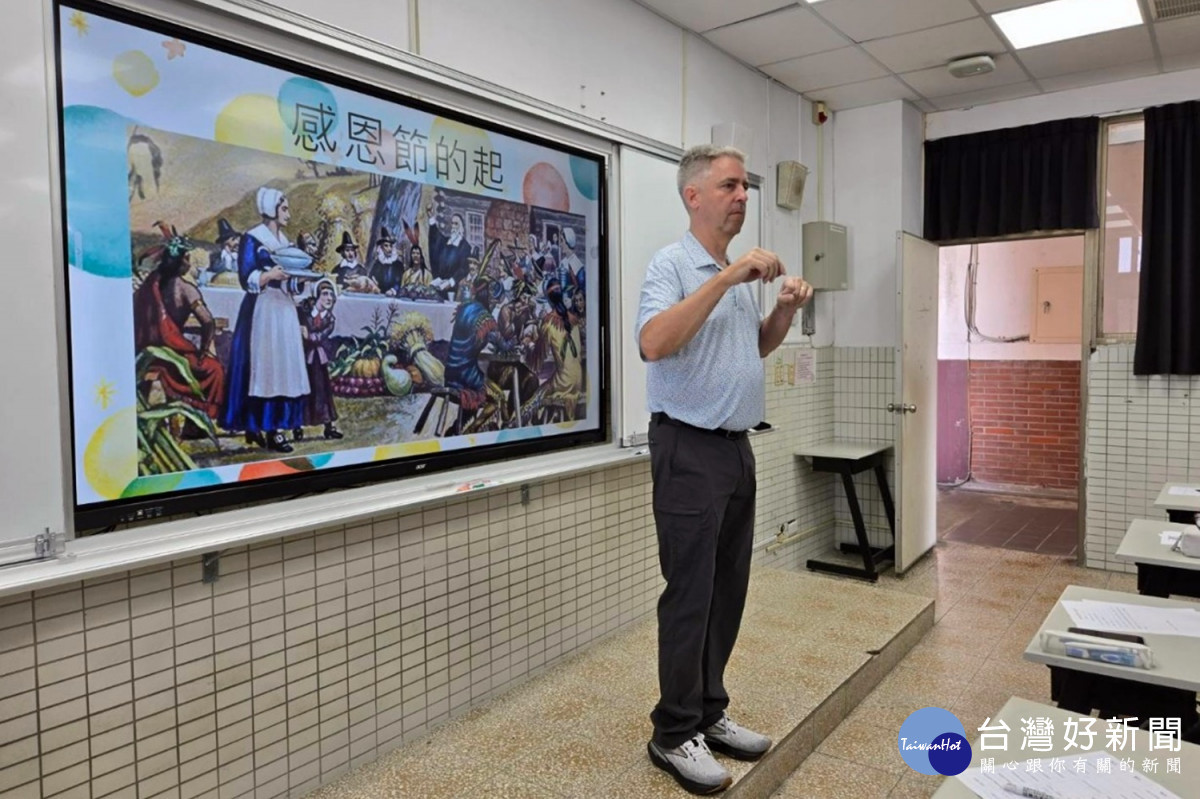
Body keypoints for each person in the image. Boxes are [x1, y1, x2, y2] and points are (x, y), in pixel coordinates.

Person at [635, 144, 813, 795]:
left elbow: (753, 348)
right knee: (689, 593)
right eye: (730, 185)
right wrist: (726, 277)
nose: (742, 196)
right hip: (687, 447)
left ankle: (708, 711)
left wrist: (786, 308)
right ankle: (672, 729)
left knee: (727, 589)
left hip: (736, 447)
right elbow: (654, 342)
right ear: (695, 196)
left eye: (745, 187)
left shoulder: (729, 273)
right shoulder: (675, 265)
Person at [220, 187, 311, 453]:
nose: (289, 215)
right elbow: (246, 277)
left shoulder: (286, 242)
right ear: (271, 209)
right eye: (284, 209)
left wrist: (298, 280)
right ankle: (268, 428)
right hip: (262, 309)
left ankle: (279, 425)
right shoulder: (252, 238)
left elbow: (291, 285)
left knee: (285, 366)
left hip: (283, 309)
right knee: (266, 368)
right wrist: (270, 275)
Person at [133, 226, 225, 419]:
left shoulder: (151, 284)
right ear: (179, 261)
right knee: (214, 369)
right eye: (186, 257)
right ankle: (200, 419)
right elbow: (208, 321)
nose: (189, 262)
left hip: (146, 355)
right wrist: (203, 350)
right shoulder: (185, 288)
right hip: (173, 356)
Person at [295, 279, 343, 441]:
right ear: (317, 296)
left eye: (331, 295)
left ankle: (328, 426)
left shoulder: (330, 320)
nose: (329, 298)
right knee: (302, 390)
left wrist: (309, 335)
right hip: (303, 358)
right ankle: (297, 425)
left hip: (318, 360)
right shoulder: (303, 312)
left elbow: (320, 336)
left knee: (322, 392)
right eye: (325, 294)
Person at [427, 207, 472, 298]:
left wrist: (451, 282)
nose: (453, 226)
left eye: (456, 223)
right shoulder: (446, 241)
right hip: (440, 284)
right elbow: (436, 238)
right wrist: (431, 217)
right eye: (452, 223)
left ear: (461, 227)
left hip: (453, 288)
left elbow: (463, 269)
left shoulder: (465, 246)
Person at [202, 218, 239, 285]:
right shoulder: (215, 257)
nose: (237, 242)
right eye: (233, 239)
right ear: (225, 242)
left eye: (236, 239)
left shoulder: (241, 256)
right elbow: (214, 270)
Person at [372, 227, 404, 296]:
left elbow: (401, 281)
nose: (389, 249)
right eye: (386, 246)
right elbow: (372, 277)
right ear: (381, 248)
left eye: (390, 246)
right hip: (379, 295)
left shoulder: (398, 265)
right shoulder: (377, 264)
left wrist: (393, 290)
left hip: (394, 296)